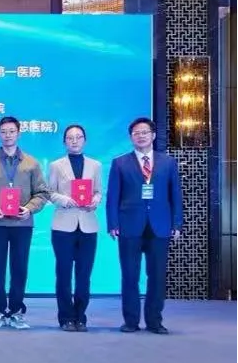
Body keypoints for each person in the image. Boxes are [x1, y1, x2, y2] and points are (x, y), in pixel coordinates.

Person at [106, 117, 182, 335]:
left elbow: (175, 194)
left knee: (157, 276)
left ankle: (154, 321)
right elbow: (113, 196)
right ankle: (131, 321)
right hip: (129, 225)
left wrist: (177, 223)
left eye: (145, 132)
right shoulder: (120, 163)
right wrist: (113, 223)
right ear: (131, 138)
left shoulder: (168, 162)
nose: (141, 136)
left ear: (153, 135)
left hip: (160, 225)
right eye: (136, 133)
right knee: (130, 275)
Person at [0, 116, 49, 329]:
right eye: (4, 132)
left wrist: (29, 209)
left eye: (11, 131)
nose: (8, 135)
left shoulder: (31, 163)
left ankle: (16, 311)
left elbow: (42, 193)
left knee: (20, 268)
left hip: (22, 224)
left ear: (18, 133)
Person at [47, 124, 102, 332]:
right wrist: (64, 199)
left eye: (78, 137)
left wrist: (95, 200)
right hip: (63, 225)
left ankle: (81, 317)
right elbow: (49, 192)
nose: (74, 140)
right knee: (63, 273)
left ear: (84, 140)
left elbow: (98, 191)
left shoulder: (95, 165)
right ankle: (66, 318)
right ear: (64, 142)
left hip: (88, 224)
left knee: (84, 274)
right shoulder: (56, 165)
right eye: (70, 137)